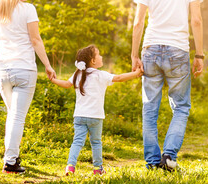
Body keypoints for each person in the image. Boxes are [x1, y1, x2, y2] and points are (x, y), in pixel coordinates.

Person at [131, 0, 205, 171]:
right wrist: (199, 54)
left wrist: (134, 54)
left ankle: (153, 163)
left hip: (151, 49)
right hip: (178, 51)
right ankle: (168, 156)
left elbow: (138, 23)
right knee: (181, 107)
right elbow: (197, 21)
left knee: (149, 109)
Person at [0, 0, 56, 174]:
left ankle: (13, 156)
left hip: (2, 70)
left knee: (13, 115)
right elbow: (35, 40)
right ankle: (10, 162)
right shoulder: (28, 9)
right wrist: (48, 64)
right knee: (17, 117)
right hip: (24, 69)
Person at [50, 45, 143, 176]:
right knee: (96, 143)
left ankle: (70, 166)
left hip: (80, 116)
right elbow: (120, 78)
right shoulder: (101, 75)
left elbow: (66, 84)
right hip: (96, 117)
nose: (101, 57)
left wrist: (53, 80)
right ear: (93, 61)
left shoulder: (78, 74)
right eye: (98, 55)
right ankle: (98, 168)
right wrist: (136, 74)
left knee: (77, 141)